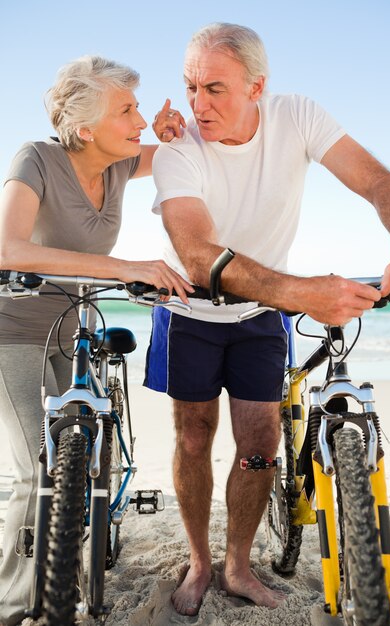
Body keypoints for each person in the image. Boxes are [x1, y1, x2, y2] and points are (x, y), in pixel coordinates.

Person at [144, 22, 390, 617]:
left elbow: (375, 180)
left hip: (261, 314)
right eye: (190, 87)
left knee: (262, 440)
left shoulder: (297, 116)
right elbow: (196, 254)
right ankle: (198, 561)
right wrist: (301, 291)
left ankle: (237, 565)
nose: (197, 104)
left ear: (257, 86)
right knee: (193, 438)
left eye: (215, 88)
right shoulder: (178, 149)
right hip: (188, 308)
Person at [0, 55, 192, 626]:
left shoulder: (119, 162)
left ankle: (66, 570)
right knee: (35, 471)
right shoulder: (36, 159)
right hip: (15, 334)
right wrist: (123, 266)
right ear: (85, 129)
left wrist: (172, 134)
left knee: (77, 467)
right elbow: (8, 249)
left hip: (74, 329)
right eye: (126, 109)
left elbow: (186, 158)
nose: (138, 118)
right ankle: (12, 608)